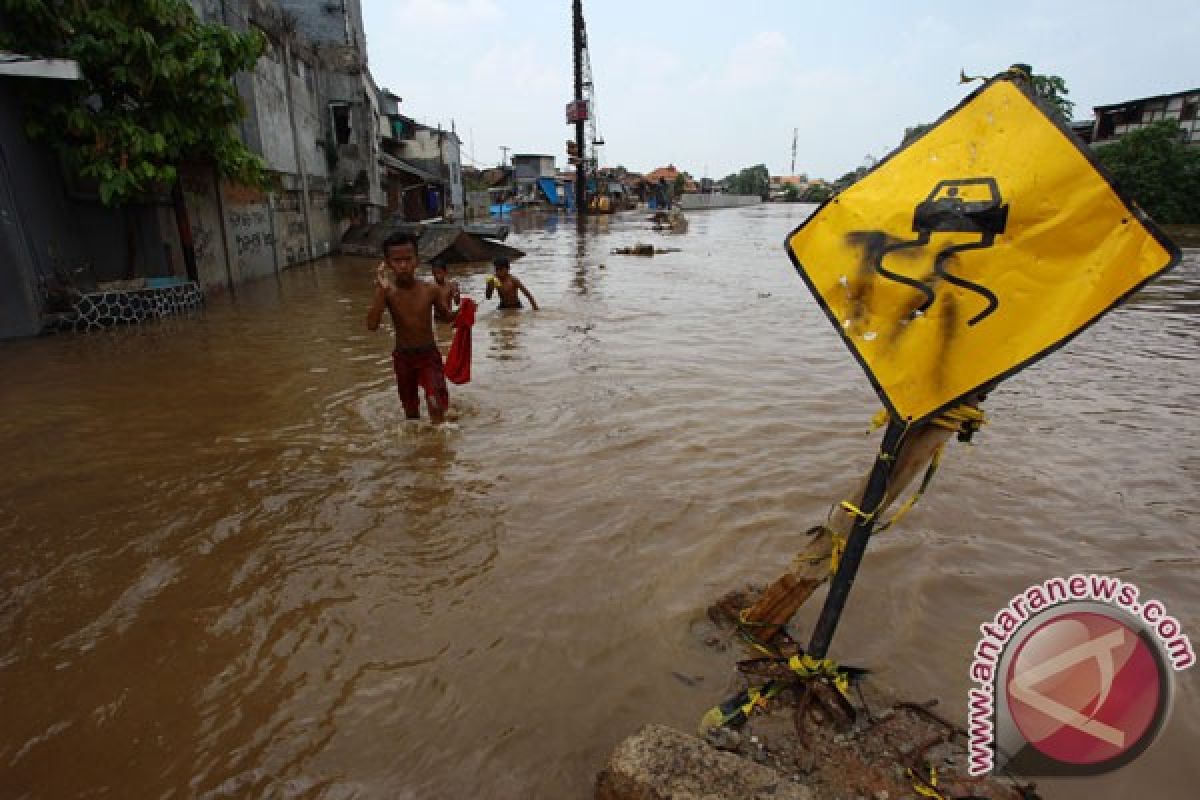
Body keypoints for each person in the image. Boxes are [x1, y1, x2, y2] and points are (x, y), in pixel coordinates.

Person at [367, 232, 454, 425]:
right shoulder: (387, 292)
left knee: (435, 403)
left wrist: (464, 312)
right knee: (411, 412)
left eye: (408, 259)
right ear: (388, 263)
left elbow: (448, 318)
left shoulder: (430, 290)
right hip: (403, 357)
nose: (403, 265)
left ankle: (439, 449)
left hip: (428, 356)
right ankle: (420, 450)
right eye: (397, 261)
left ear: (417, 260)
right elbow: (372, 325)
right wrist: (381, 292)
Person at [430, 259, 461, 323]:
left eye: (439, 273)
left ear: (445, 272)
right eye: (434, 273)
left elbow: (457, 302)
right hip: (437, 320)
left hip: (449, 319)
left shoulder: (450, 286)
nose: (436, 276)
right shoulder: (431, 287)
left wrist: (457, 292)